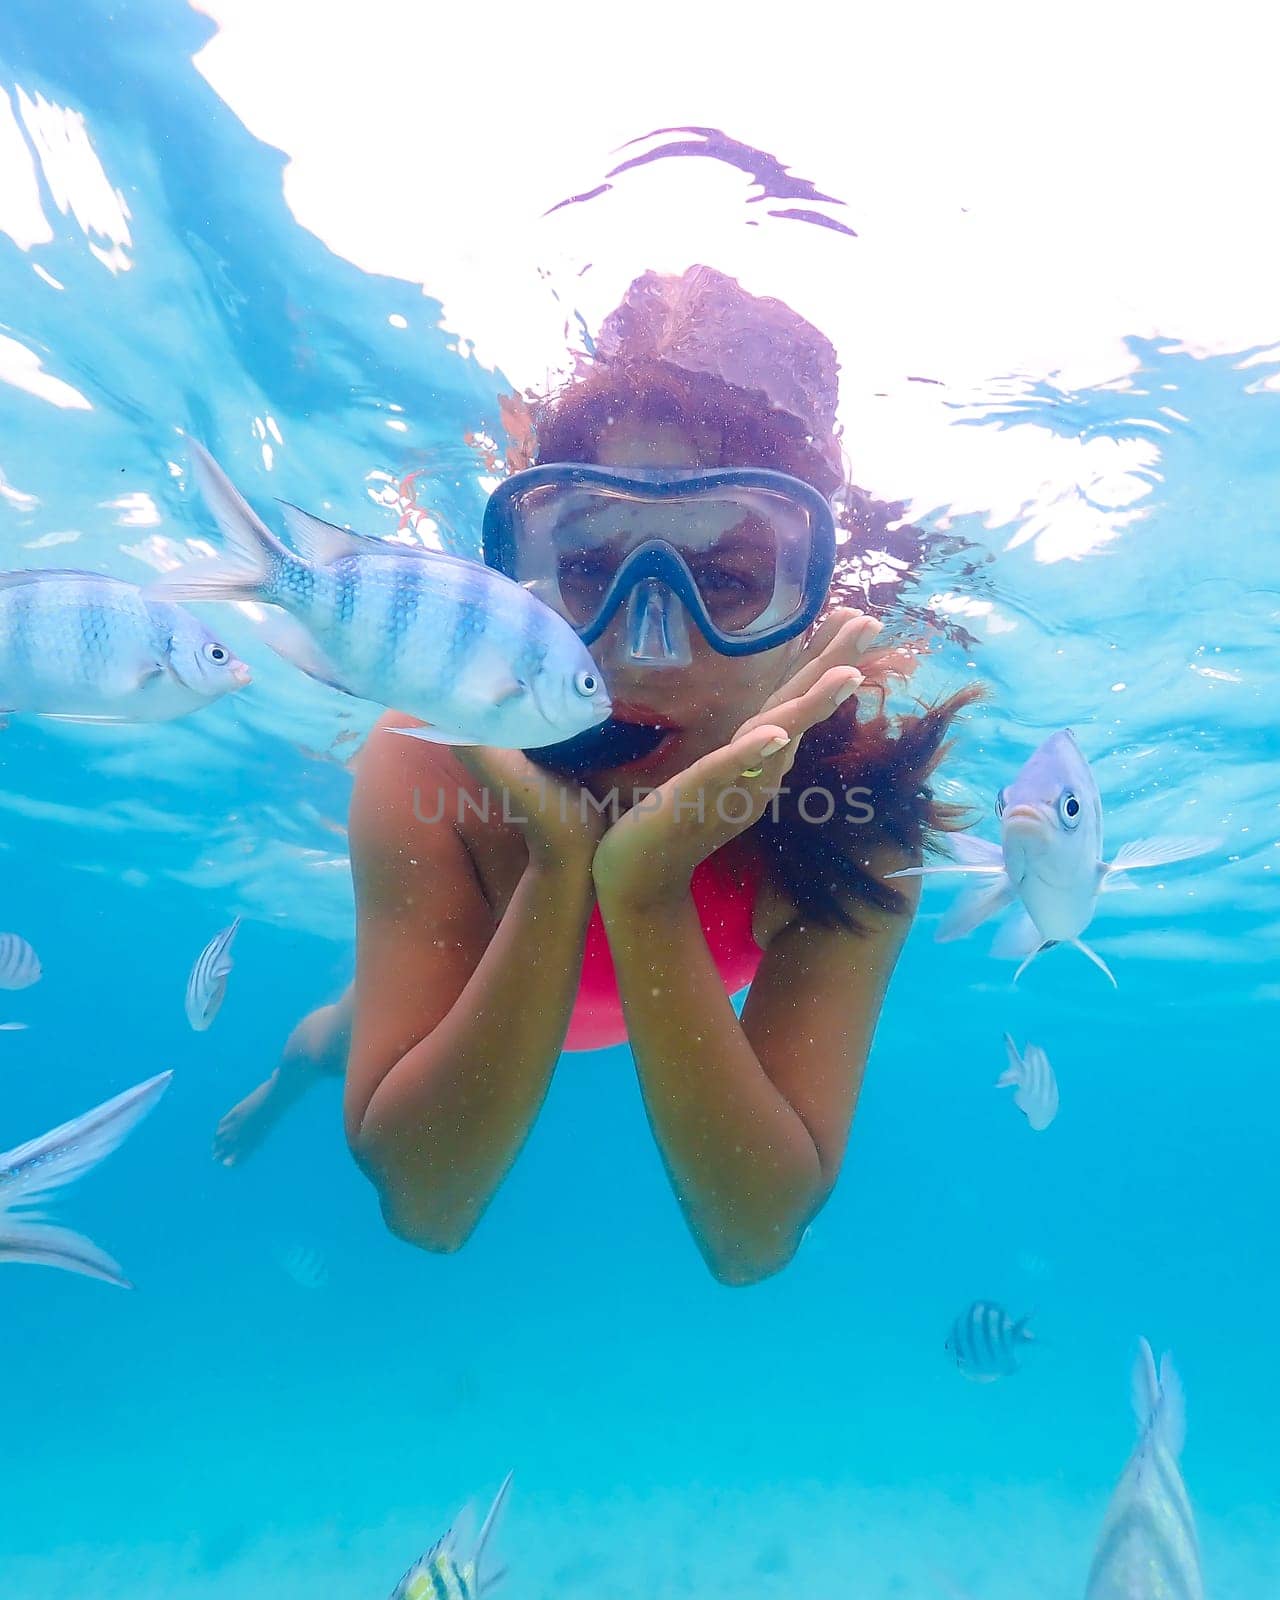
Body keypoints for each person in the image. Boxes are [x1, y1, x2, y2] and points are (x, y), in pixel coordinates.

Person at [215, 265, 979, 1285]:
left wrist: (647, 886)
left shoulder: (851, 808)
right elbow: (424, 1205)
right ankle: (285, 1083)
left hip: (604, 991)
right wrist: (553, 867)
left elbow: (753, 1238)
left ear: (810, 599)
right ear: (524, 571)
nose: (650, 647)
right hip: (474, 989)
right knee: (334, 1033)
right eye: (587, 568)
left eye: (728, 580)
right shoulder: (433, 753)